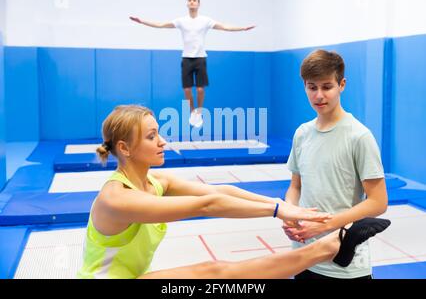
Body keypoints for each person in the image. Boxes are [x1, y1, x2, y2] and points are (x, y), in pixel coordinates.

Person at [77, 104, 390, 279]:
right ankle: (330, 247)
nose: (162, 141)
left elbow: (221, 189)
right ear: (124, 148)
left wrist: (280, 204)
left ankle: (333, 246)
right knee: (215, 274)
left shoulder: (156, 182)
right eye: (151, 136)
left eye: (158, 133)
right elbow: (208, 204)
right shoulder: (116, 198)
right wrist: (281, 210)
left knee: (213, 271)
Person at [283, 49, 389, 279]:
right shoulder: (302, 134)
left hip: (344, 264)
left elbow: (378, 202)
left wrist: (324, 225)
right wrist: (289, 212)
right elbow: (296, 186)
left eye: (326, 87)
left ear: (341, 84)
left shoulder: (359, 136)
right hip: (304, 257)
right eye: (312, 87)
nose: (319, 95)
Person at [129, 0, 255, 127]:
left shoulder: (205, 20)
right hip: (187, 58)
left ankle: (199, 112)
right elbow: (160, 25)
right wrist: (142, 21)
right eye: (190, 0)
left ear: (198, 4)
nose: (192, 2)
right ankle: (192, 112)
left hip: (200, 58)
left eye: (194, 0)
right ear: (187, 4)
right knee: (187, 90)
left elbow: (225, 27)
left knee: (200, 89)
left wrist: (243, 28)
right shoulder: (181, 21)